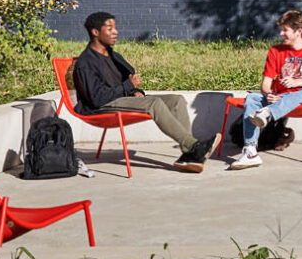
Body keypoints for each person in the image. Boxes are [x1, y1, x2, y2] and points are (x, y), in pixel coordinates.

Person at [72, 11, 212, 173]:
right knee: (153, 103)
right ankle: (194, 146)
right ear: (95, 32)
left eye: (115, 28)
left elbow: (128, 79)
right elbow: (97, 98)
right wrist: (127, 87)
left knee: (176, 100)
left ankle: (189, 155)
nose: (115, 32)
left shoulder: (112, 55)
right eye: (109, 29)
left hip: (120, 99)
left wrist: (134, 90)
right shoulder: (86, 62)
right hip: (102, 106)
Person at [228, 9, 302, 170]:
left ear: (299, 31)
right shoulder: (275, 51)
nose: (281, 33)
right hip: (279, 99)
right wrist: (269, 94)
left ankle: (268, 112)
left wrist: (297, 82)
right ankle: (250, 151)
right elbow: (265, 84)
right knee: (252, 98)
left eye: (285, 30)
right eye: (281, 29)